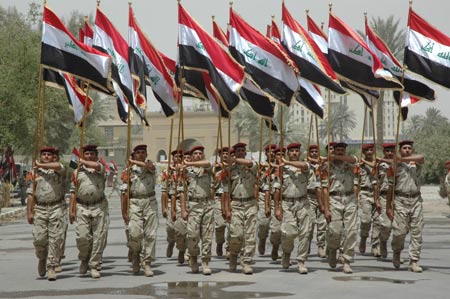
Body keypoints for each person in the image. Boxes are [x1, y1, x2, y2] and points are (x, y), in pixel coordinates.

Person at [26, 146, 66, 281]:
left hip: (56, 207)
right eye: (44, 155)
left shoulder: (58, 170)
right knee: (39, 239)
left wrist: (42, 164)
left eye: (49, 154)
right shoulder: (35, 172)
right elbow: (31, 194)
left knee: (56, 239)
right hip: (40, 209)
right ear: (40, 156)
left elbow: (59, 166)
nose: (47, 156)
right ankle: (42, 258)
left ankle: (51, 267)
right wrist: (29, 212)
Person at [69, 144, 108, 279]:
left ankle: (95, 265)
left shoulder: (101, 168)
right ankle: (84, 258)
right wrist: (71, 210)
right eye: (87, 154)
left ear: (96, 156)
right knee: (83, 237)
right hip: (82, 207)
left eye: (92, 154)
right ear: (83, 155)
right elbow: (73, 193)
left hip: (99, 206)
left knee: (99, 238)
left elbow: (98, 167)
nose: (90, 156)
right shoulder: (77, 172)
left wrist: (82, 161)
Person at [386, 140, 425, 273]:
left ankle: (413, 261)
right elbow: (390, 187)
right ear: (400, 150)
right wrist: (388, 207)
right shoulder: (394, 165)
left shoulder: (416, 163)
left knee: (417, 232)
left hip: (416, 200)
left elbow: (422, 158)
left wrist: (402, 158)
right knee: (399, 232)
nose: (407, 150)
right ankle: (396, 251)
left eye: (409, 148)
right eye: (404, 148)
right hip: (400, 200)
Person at [120, 144, 158, 277]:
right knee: (135, 233)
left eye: (143, 152)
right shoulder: (128, 170)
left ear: (146, 154)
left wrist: (134, 162)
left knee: (151, 235)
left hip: (150, 202)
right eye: (138, 153)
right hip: (134, 203)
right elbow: (124, 192)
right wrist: (124, 211)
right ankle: (135, 254)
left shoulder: (150, 166)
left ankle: (147, 262)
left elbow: (149, 167)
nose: (141, 154)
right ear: (134, 155)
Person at [274, 143, 311, 274]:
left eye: (296, 151)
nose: (294, 153)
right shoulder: (281, 169)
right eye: (292, 151)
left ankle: (301, 261)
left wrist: (287, 162)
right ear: (288, 153)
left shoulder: (305, 165)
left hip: (303, 202)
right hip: (287, 203)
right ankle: (286, 252)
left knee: (305, 233)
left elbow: (304, 166)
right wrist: (277, 208)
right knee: (288, 233)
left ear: (299, 153)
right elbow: (277, 189)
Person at [222, 142, 258, 274]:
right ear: (235, 153)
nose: (241, 152)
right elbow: (226, 191)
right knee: (236, 234)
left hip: (250, 204)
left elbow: (249, 163)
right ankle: (233, 254)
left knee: (250, 236)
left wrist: (234, 160)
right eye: (238, 151)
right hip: (236, 204)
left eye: (243, 150)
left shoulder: (253, 166)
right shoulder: (229, 170)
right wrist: (226, 209)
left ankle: (246, 262)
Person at [322, 142, 358, 274]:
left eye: (342, 150)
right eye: (337, 150)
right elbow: (324, 189)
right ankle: (332, 249)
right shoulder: (326, 166)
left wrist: (336, 157)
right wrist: (326, 209)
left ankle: (347, 260)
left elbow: (354, 159)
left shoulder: (350, 162)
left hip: (350, 199)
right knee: (335, 231)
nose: (340, 152)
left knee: (351, 231)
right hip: (334, 199)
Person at [181, 145, 214, 275]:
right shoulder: (186, 171)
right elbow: (181, 191)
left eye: (200, 153)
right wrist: (183, 209)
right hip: (193, 205)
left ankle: (205, 261)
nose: (198, 155)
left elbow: (207, 163)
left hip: (207, 205)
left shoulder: (207, 168)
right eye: (195, 153)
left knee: (207, 236)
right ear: (192, 155)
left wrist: (190, 162)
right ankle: (193, 257)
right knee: (193, 235)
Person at [357, 144, 381, 256]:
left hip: (377, 193)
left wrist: (364, 162)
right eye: (367, 150)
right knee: (366, 220)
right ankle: (363, 238)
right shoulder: (360, 165)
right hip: (365, 193)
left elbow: (373, 166)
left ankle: (375, 246)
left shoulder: (377, 163)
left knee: (378, 221)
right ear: (364, 152)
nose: (370, 152)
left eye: (372, 150)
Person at [375, 143, 396, 258]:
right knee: (386, 225)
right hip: (383, 197)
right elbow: (376, 184)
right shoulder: (380, 165)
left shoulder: (401, 163)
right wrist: (376, 200)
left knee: (399, 228)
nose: (390, 153)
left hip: (398, 198)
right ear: (384, 152)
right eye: (387, 151)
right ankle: (383, 241)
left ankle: (396, 253)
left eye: (392, 151)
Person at [306, 144, 326, 258]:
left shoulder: (323, 164)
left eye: (316, 151)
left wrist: (319, 161)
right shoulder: (305, 164)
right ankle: (307, 244)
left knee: (322, 223)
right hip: (309, 196)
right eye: (312, 151)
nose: (314, 153)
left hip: (322, 195)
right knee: (310, 224)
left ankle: (321, 246)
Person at [161, 149, 181, 259]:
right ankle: (171, 242)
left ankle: (182, 249)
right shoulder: (167, 173)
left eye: (180, 156)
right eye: (175, 156)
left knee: (183, 228)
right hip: (170, 201)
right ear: (172, 158)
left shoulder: (186, 171)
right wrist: (163, 208)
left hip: (182, 201)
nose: (178, 158)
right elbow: (163, 192)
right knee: (170, 227)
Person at [257, 144, 276, 257]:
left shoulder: (281, 167)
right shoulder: (260, 166)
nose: (272, 153)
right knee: (263, 223)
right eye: (269, 151)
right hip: (262, 196)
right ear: (265, 153)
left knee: (276, 228)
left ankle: (275, 246)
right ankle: (262, 239)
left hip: (277, 198)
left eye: (274, 151)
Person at [212, 146, 230, 257]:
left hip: (230, 198)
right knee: (220, 225)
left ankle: (229, 248)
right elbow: (212, 183)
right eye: (222, 154)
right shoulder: (216, 168)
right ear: (219, 156)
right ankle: (219, 243)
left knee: (231, 225)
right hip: (218, 198)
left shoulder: (233, 167)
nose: (225, 155)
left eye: (227, 153)